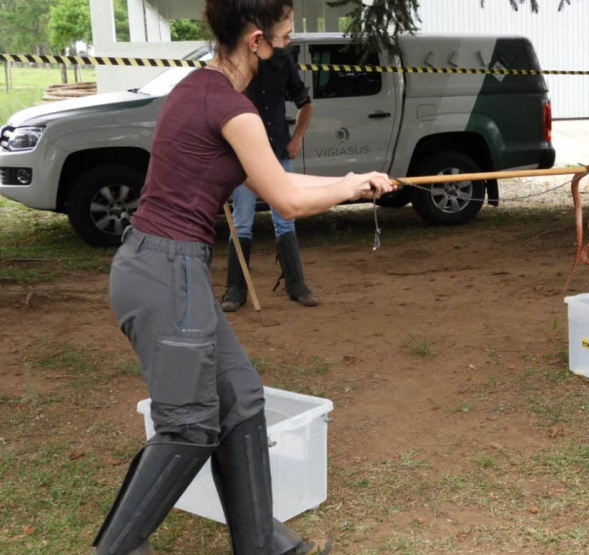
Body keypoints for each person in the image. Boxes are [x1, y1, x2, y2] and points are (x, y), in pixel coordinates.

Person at [93, 0, 396, 553]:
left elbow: (273, 177)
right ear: (255, 40)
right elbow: (286, 200)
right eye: (283, 40)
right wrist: (350, 190)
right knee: (189, 427)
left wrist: (354, 178)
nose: (286, 51)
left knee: (241, 400)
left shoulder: (199, 88)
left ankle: (261, 545)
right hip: (164, 272)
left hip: (165, 267)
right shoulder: (232, 108)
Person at [222, 40, 317, 311]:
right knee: (241, 222)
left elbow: (305, 104)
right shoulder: (233, 59)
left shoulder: (283, 60)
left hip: (278, 151)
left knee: (286, 218)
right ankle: (235, 290)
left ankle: (296, 284)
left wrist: (297, 138)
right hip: (243, 155)